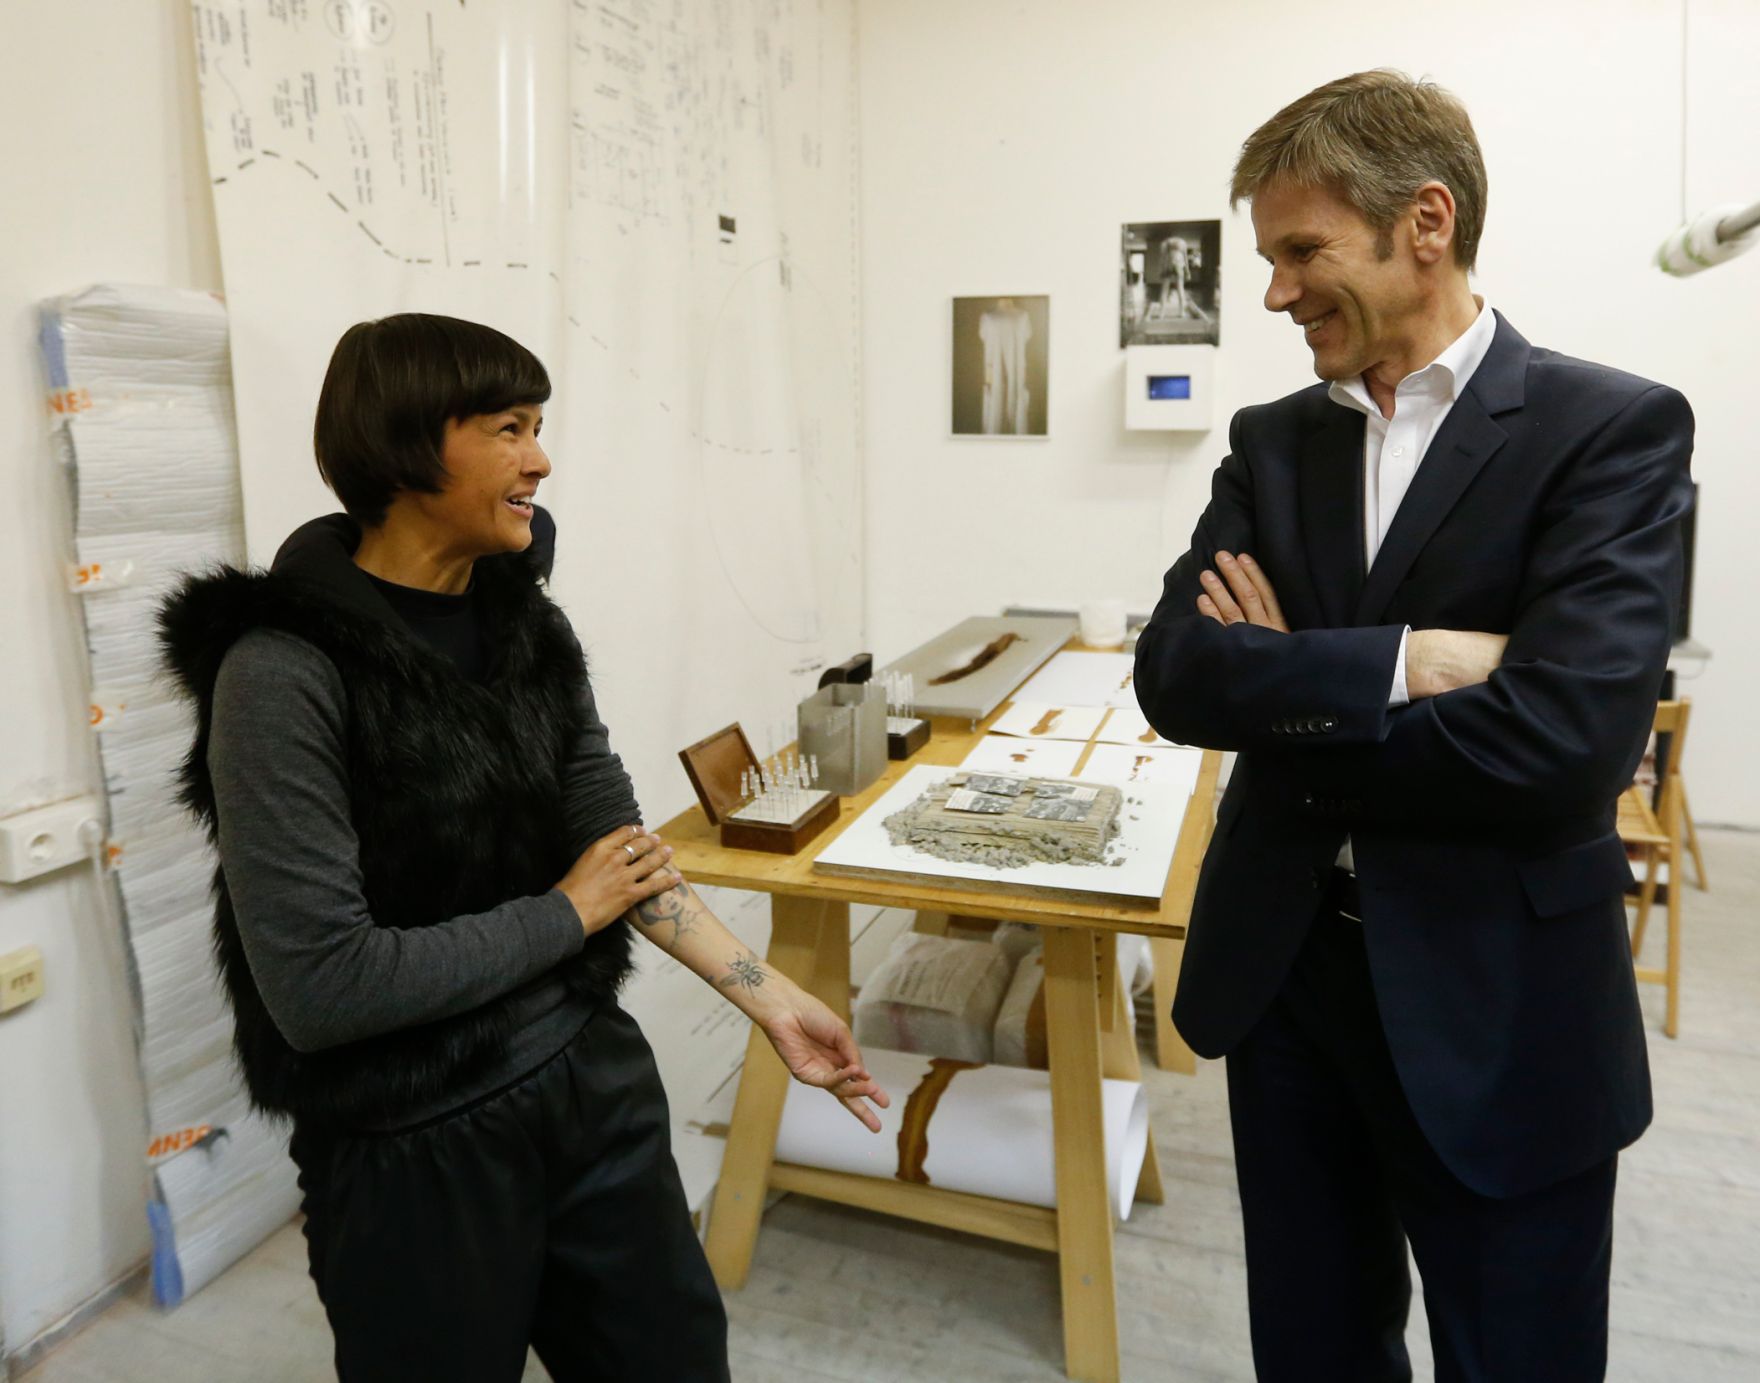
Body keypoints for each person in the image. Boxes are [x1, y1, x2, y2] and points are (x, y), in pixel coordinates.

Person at [158, 313, 889, 1382]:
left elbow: (619, 854)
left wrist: (769, 997)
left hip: (587, 1083)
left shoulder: (527, 630)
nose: (539, 460)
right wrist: (566, 913)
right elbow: (321, 987)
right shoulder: (281, 673)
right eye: (508, 428)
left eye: (537, 426)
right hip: (413, 1146)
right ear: (409, 443)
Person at [1133, 71, 1693, 1383]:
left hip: (1499, 1003)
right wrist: (1410, 659)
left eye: (1301, 252)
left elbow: (1566, 739)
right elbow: (1175, 674)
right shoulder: (1272, 443)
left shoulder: (1607, 430)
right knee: (1316, 1351)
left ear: (1424, 223)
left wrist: (1291, 690)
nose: (1275, 293)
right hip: (1287, 986)